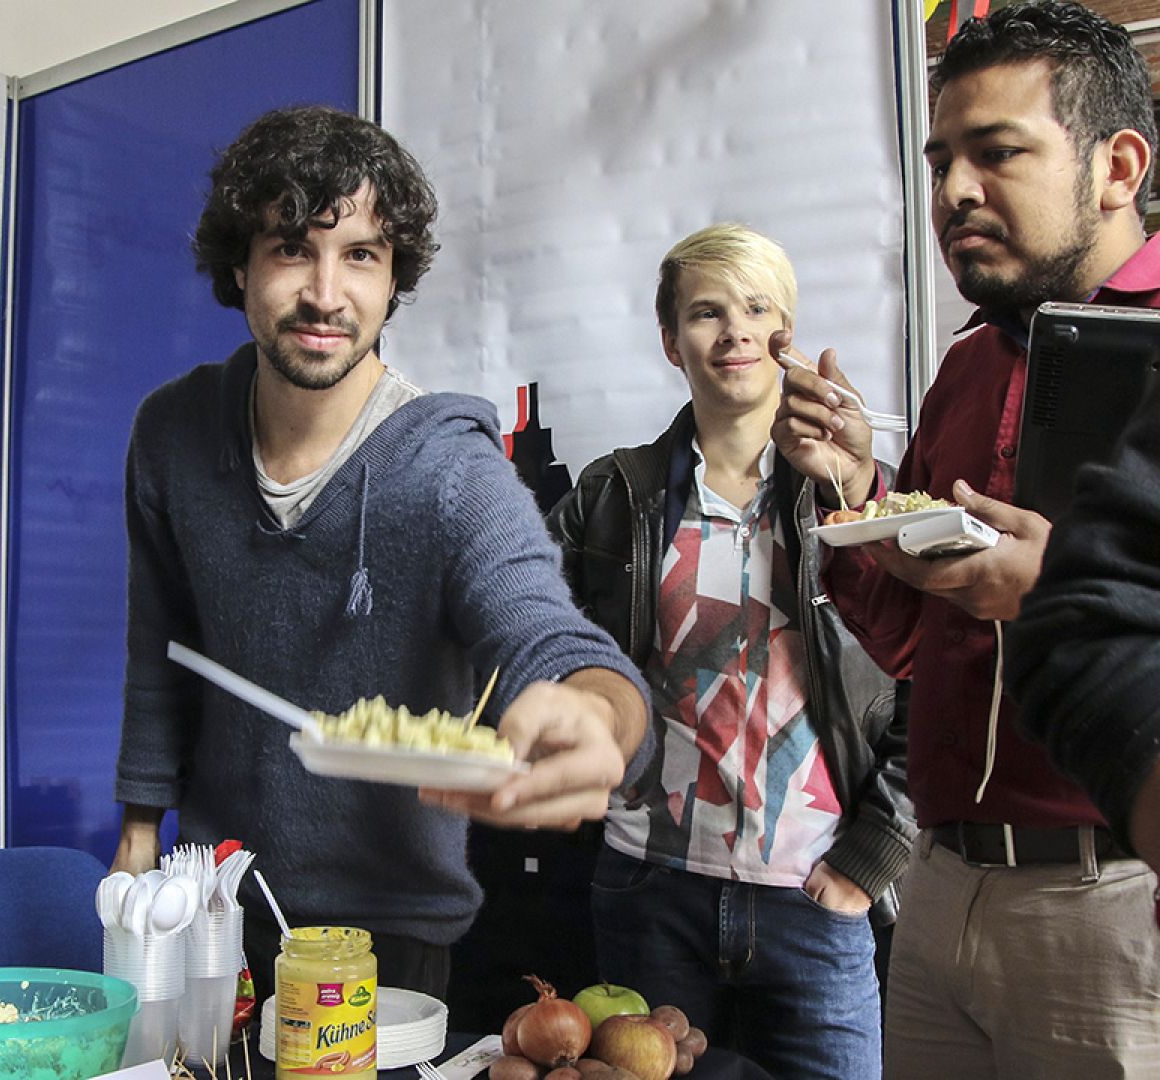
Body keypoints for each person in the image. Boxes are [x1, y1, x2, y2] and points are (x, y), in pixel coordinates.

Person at [110, 104, 651, 1005]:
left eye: (361, 254)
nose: (327, 294)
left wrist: (603, 714)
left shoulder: (448, 470)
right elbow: (160, 647)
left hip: (386, 938)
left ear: (395, 275)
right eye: (293, 248)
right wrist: (138, 831)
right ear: (240, 265)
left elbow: (548, 635)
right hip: (210, 902)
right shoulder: (172, 432)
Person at [769, 3, 1160, 1075]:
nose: (952, 192)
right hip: (940, 888)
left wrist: (1057, 591)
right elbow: (914, 642)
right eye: (941, 161)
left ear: (1117, 167)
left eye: (998, 153)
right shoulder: (970, 364)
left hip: (1114, 903)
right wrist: (858, 486)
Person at [549, 225, 911, 1079]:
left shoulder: (859, 495)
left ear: (785, 331)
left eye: (756, 308)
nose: (735, 331)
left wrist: (873, 855)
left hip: (816, 899)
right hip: (649, 888)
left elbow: (930, 678)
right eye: (706, 312)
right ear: (670, 340)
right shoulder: (615, 495)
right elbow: (532, 638)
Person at [1006, 381, 1160, 875]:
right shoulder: (960, 371)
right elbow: (896, 645)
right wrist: (859, 488)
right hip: (939, 863)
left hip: (1107, 872)